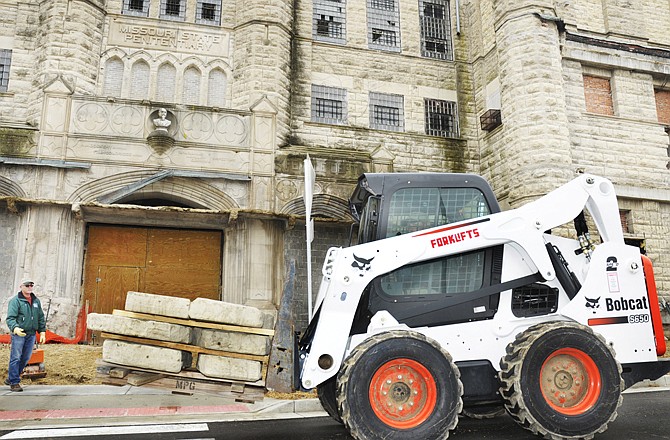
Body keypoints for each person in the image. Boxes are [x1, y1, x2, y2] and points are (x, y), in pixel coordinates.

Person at [5, 278, 46, 392]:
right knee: (16, 357)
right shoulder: (16, 301)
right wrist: (15, 328)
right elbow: (10, 318)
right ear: (21, 286)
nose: (29, 287)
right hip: (19, 334)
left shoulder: (36, 301)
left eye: (31, 285)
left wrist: (42, 331)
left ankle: (11, 377)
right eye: (27, 285)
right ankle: (14, 382)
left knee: (26, 358)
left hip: (31, 334)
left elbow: (40, 317)